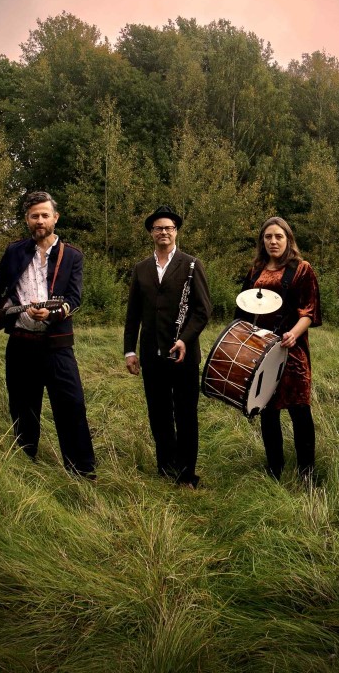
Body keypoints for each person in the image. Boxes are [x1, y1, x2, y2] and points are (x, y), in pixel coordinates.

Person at [0, 191, 95, 478]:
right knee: (22, 408)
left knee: (72, 405)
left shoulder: (72, 255)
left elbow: (74, 299)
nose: (40, 221)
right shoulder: (14, 251)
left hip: (57, 345)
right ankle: (25, 467)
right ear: (27, 219)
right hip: (21, 343)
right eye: (34, 216)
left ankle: (82, 473)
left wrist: (51, 314)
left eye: (45, 215)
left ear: (55, 218)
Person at [123, 205, 211, 488]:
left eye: (169, 228)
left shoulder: (192, 264)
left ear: (176, 232)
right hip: (151, 354)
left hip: (183, 354)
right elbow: (133, 314)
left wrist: (185, 339)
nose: (164, 232)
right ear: (151, 233)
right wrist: (130, 350)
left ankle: (186, 475)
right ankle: (166, 468)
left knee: (185, 414)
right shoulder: (141, 269)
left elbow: (203, 310)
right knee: (158, 414)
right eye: (158, 228)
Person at [235, 216, 322, 481]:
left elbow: (309, 311)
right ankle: (275, 469)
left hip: (292, 349)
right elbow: (243, 309)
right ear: (262, 241)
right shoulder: (255, 270)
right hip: (261, 350)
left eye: (279, 236)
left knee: (299, 409)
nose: (273, 241)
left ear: (288, 239)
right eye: (268, 237)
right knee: (267, 410)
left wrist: (293, 334)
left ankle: (306, 471)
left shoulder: (302, 269)